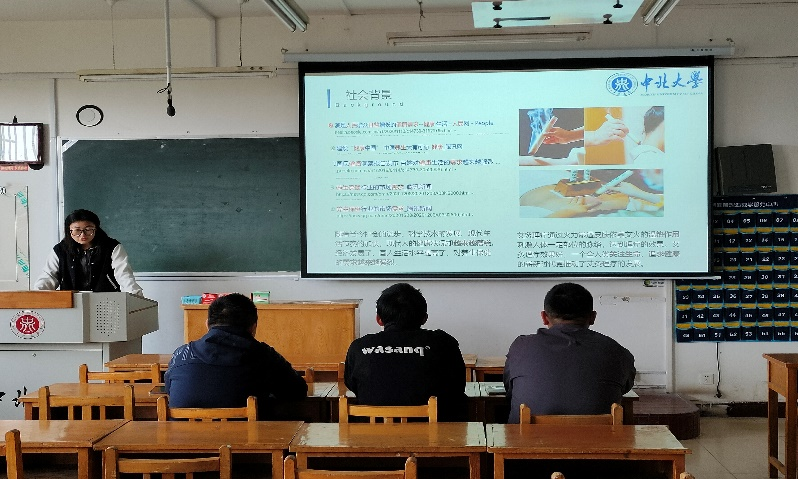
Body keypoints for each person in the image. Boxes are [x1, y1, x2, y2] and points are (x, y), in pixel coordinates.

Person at [504, 282, 636, 423]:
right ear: (593, 317)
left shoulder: (520, 347)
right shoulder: (616, 351)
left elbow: (510, 389)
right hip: (600, 436)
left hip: (526, 436)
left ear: (544, 317)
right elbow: (624, 387)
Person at [165, 293, 307, 418]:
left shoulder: (180, 355)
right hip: (247, 440)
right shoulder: (264, 356)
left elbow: (170, 390)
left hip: (184, 440)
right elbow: (298, 391)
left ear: (207, 324)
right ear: (253, 327)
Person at [344, 282, 467, 421]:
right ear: (424, 318)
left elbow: (352, 385)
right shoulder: (444, 343)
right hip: (434, 432)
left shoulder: (359, 347)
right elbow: (458, 387)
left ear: (379, 319)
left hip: (370, 432)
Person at [33, 209, 143, 295]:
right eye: (77, 230)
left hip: (106, 299)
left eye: (88, 229)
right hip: (72, 302)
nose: (83, 235)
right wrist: (36, 294)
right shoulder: (60, 250)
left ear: (96, 228)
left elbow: (123, 274)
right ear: (69, 231)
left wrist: (135, 294)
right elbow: (49, 276)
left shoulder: (111, 247)